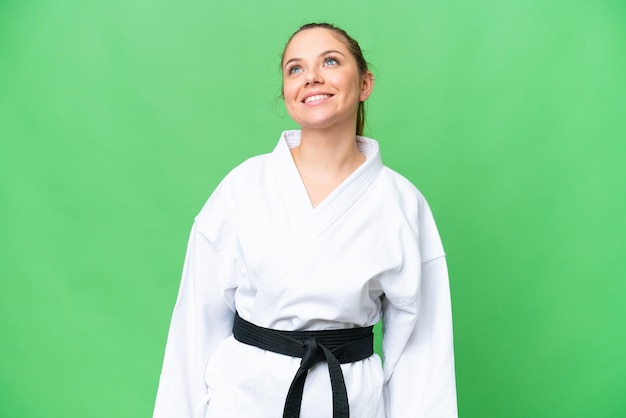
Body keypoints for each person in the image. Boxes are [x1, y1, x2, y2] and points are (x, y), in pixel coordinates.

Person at [153, 22, 457, 418]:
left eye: (330, 61)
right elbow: (194, 327)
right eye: (295, 69)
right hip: (245, 399)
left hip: (349, 400)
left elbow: (423, 350)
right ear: (286, 92)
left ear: (365, 83)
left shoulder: (401, 202)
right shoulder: (243, 187)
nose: (312, 76)